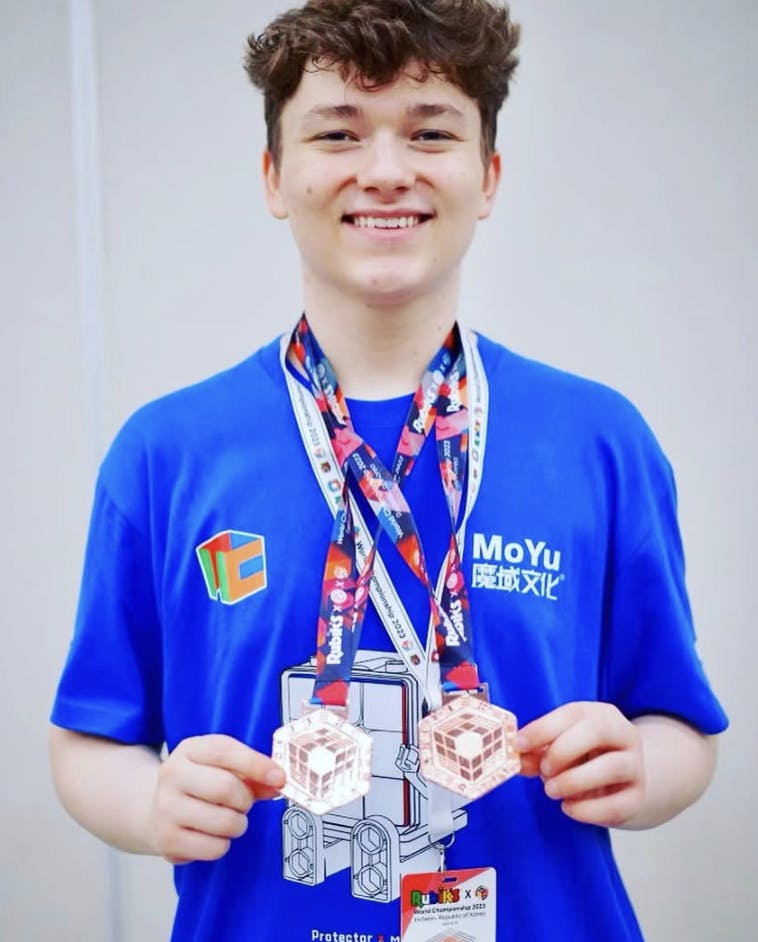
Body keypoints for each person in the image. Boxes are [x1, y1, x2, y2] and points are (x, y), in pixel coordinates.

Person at [49, 1, 728, 940]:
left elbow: (682, 726)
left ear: (487, 175)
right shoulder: (166, 452)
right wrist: (147, 802)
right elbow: (88, 737)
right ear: (274, 175)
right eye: (337, 132)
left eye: (430, 130)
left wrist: (645, 770)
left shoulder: (599, 439)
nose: (384, 169)